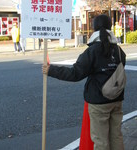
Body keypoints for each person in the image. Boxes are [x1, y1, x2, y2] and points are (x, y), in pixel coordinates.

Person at [42, 14, 126, 150]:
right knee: (116, 136)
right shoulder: (118, 50)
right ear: (110, 27)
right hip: (117, 99)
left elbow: (75, 73)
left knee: (101, 141)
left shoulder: (92, 51)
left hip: (98, 102)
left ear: (94, 29)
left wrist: (51, 70)